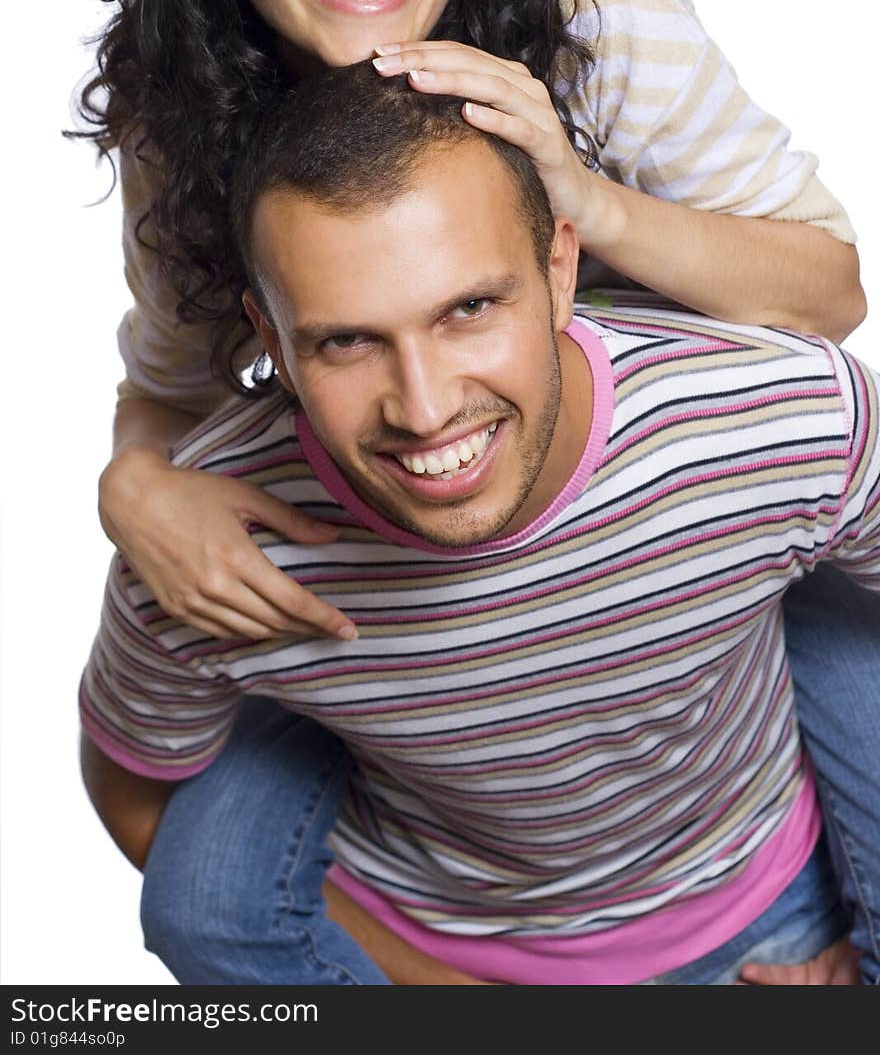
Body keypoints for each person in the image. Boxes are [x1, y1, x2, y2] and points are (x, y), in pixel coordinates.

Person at [71, 0, 878, 981]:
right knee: (212, 886)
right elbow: (169, 382)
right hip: (406, 556)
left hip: (679, 509)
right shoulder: (190, 108)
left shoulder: (591, 6)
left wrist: (588, 200)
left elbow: (828, 291)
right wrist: (136, 488)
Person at [81, 64, 876, 985]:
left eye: (469, 309)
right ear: (271, 336)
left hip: (779, 925)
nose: (424, 411)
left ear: (560, 268)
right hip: (426, 950)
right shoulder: (203, 543)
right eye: (346, 341)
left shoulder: (779, 420)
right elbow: (142, 800)